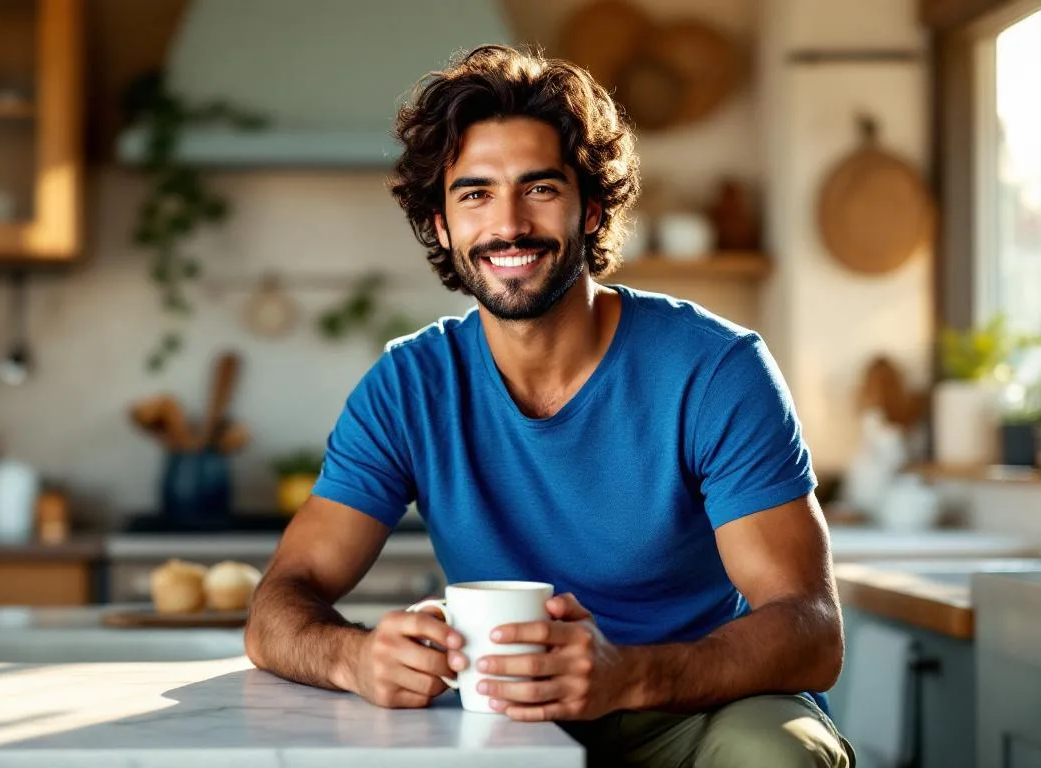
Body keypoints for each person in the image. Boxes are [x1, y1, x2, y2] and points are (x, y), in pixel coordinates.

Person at [244, 44, 854, 767]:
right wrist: (353, 658)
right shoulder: (410, 386)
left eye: (539, 189)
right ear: (440, 225)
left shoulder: (714, 369)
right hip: (501, 722)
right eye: (474, 194)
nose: (509, 224)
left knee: (776, 754)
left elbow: (812, 630)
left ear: (590, 208)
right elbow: (280, 603)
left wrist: (632, 675)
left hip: (699, 708)